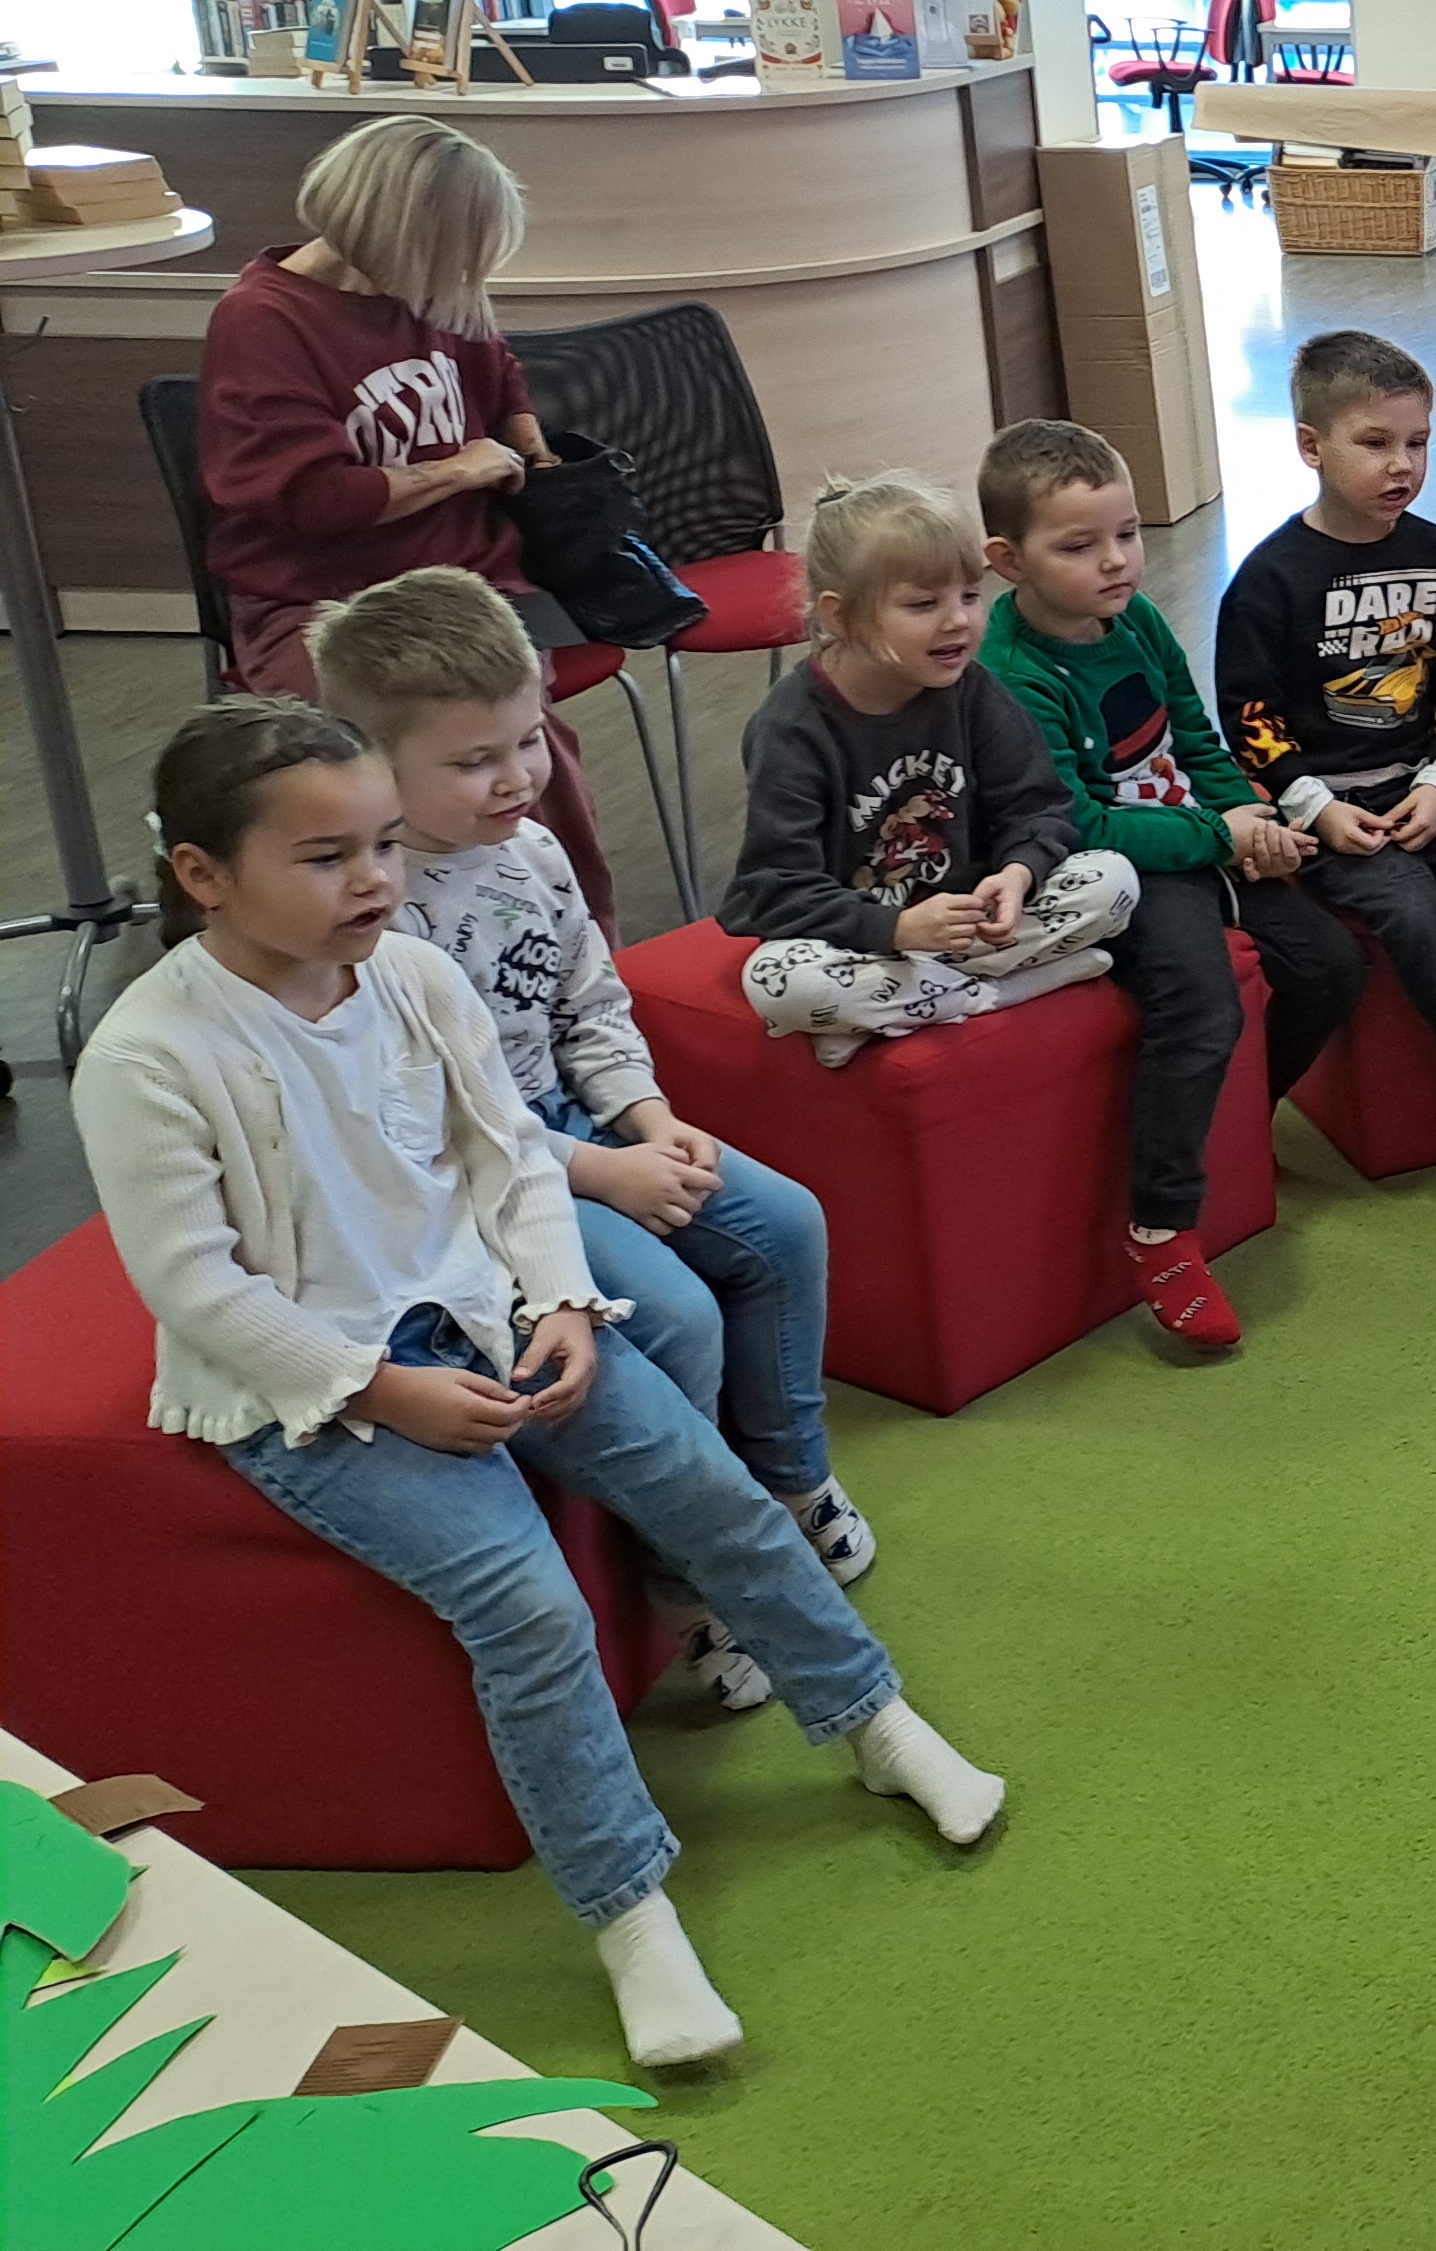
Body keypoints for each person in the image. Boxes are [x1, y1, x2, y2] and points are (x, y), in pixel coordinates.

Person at [73, 698, 1004, 2071]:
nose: (374, 881)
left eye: (384, 845)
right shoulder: (148, 1054)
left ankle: (873, 1720)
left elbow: (507, 1161)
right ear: (204, 874)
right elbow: (199, 1289)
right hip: (313, 1394)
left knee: (713, 1491)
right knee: (526, 1607)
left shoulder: (412, 975)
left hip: (489, 1314)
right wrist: (380, 1390)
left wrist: (562, 1299)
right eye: (325, 858)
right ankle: (631, 1916)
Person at [309, 566, 862, 1717]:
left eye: (528, 740)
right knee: (676, 1313)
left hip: (577, 1126)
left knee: (787, 1224)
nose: (518, 776)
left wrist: (648, 1119)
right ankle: (692, 1581)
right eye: (474, 761)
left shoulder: (534, 855)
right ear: (372, 767)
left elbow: (589, 1011)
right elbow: (432, 1120)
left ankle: (787, 1486)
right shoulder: (373, 916)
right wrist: (604, 1171)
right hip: (476, 1180)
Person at [978, 419, 1365, 1347]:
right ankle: (1160, 1226)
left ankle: (1238, 1122)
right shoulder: (1013, 674)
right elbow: (1081, 824)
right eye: (1079, 546)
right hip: (1116, 870)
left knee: (1330, 965)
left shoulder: (1136, 619)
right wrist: (1217, 837)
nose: (1116, 561)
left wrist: (1252, 821)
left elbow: (1195, 739)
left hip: (1195, 836)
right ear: (1008, 560)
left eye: (1126, 534)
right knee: (1201, 1005)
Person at [194, 113, 617, 920]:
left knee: (524, 759)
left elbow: (498, 370)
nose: (463, 280)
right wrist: (458, 469)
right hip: (321, 597)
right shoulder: (266, 318)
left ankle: (573, 943)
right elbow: (312, 498)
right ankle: (389, 942)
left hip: (469, 581)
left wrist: (529, 447)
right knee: (393, 758)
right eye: (453, 258)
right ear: (397, 236)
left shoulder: (431, 290)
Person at [1217, 331, 1436, 1189]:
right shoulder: (1269, 579)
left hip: (1427, 783)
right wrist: (1314, 808)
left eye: (1416, 442)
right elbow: (1250, 717)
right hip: (1330, 804)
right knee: (1417, 916)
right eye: (1374, 442)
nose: (1401, 465)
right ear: (1311, 446)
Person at [715, 473, 1142, 1064]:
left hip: (971, 925)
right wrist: (896, 929)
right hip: (863, 942)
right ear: (838, 616)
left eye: (969, 596)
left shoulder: (973, 690)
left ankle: (906, 1007)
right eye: (923, 604)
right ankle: (997, 992)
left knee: (1112, 880)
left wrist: (1018, 873)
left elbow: (1038, 806)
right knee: (778, 980)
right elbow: (775, 890)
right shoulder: (792, 729)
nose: (959, 621)